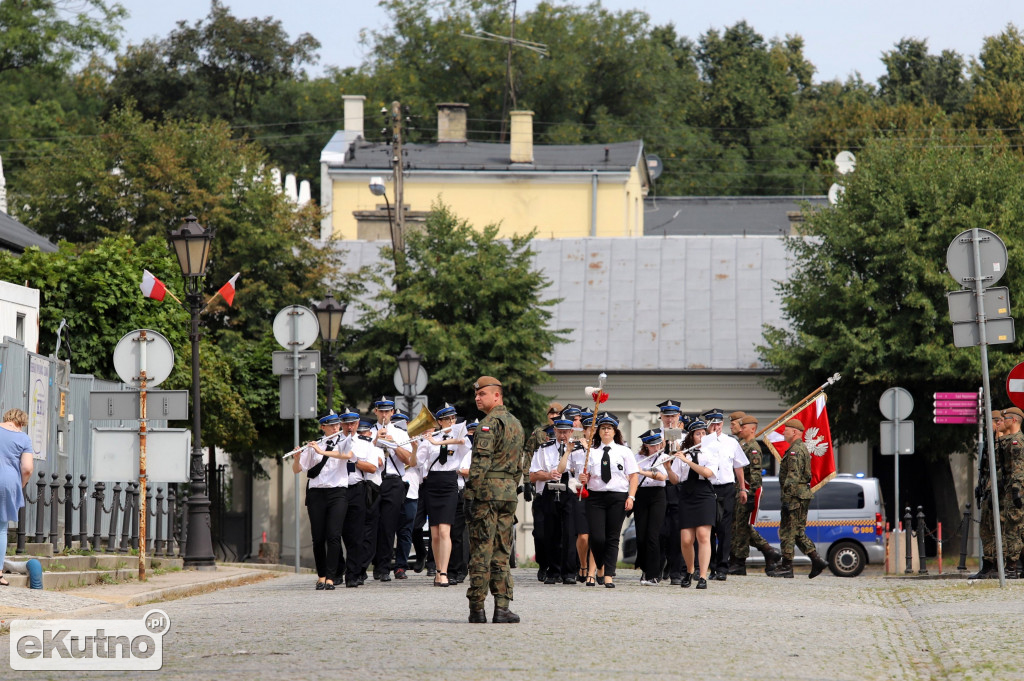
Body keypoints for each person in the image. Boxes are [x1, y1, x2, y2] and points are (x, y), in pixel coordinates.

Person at [465, 376, 524, 624]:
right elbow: (519, 465)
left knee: (481, 550)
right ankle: (502, 608)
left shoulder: (487, 425)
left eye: (483, 394)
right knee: (502, 550)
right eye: (477, 395)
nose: (477, 398)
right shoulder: (517, 424)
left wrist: (469, 494)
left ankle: (477, 609)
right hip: (508, 493)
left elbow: (480, 463)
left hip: (487, 494)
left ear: (497, 396)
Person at [291, 411, 354, 590]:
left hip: (337, 492)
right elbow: (298, 470)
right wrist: (297, 458)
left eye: (337, 425)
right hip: (316, 493)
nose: (336, 428)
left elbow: (347, 455)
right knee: (318, 537)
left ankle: (332, 577)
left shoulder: (344, 441)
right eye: (331, 425)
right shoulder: (314, 445)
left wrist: (322, 451)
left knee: (333, 535)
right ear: (323, 427)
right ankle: (321, 575)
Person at [578, 413, 639, 588]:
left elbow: (633, 476)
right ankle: (600, 566)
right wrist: (583, 477)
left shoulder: (624, 451)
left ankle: (608, 575)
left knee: (612, 538)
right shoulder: (591, 452)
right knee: (597, 538)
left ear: (614, 431)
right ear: (598, 431)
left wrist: (631, 497)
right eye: (603, 428)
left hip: (617, 496)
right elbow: (584, 477)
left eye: (609, 428)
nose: (606, 431)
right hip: (596, 497)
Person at [770, 419, 828, 578]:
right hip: (799, 494)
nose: (783, 432)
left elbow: (792, 477)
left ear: (794, 432)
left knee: (789, 531)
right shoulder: (798, 448)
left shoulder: (795, 450)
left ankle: (787, 567)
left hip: (795, 495)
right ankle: (816, 560)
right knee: (795, 532)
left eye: (786, 430)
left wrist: (787, 499)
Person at [665, 417, 718, 589]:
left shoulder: (711, 453)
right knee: (686, 539)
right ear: (691, 437)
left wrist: (687, 461)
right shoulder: (684, 454)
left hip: (704, 494)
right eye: (698, 434)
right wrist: (668, 468)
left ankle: (702, 575)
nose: (701, 436)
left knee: (703, 535)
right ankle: (689, 570)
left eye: (704, 433)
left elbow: (708, 473)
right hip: (686, 495)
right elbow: (675, 480)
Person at [419, 403, 467, 587]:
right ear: (439, 421)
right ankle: (438, 571)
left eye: (453, 418)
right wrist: (418, 444)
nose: (451, 421)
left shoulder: (458, 436)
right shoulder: (431, 438)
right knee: (435, 533)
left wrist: (438, 442)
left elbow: (463, 444)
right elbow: (417, 462)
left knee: (446, 530)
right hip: (432, 483)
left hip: (449, 482)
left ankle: (445, 572)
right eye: (447, 419)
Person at [729, 415, 783, 575]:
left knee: (742, 527)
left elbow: (755, 474)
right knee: (739, 526)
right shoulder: (743, 445)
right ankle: (769, 552)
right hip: (740, 490)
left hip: (746, 490)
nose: (740, 428)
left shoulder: (753, 448)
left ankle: (739, 562)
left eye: (743, 426)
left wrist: (751, 494)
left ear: (752, 429)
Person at [701, 408, 748, 581]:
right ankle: (710, 566)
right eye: (713, 424)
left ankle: (722, 567)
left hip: (727, 487)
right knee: (708, 529)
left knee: (725, 529)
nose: (716, 427)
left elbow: (738, 466)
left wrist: (742, 488)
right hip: (708, 488)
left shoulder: (731, 442)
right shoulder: (702, 442)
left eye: (719, 423)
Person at [371, 397, 414, 582]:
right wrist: (375, 441)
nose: (384, 414)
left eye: (387, 411)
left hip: (393, 480)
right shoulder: (367, 431)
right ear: (375, 412)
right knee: (370, 525)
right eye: (381, 411)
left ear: (392, 413)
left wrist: (393, 444)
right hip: (372, 481)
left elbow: (408, 460)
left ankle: (383, 568)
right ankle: (367, 565)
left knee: (388, 526)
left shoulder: (401, 433)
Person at [530, 417, 577, 584]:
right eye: (560, 431)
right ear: (555, 431)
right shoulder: (544, 449)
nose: (562, 435)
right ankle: (553, 570)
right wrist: (547, 475)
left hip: (570, 490)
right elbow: (533, 475)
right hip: (549, 490)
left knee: (570, 532)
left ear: (572, 432)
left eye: (566, 431)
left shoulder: (578, 449)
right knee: (550, 532)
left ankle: (569, 572)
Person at [525, 402, 561, 582]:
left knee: (558, 531)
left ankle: (557, 566)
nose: (554, 418)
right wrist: (525, 482)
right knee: (539, 532)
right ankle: (543, 564)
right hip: (541, 487)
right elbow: (528, 456)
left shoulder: (569, 433)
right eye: (551, 415)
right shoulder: (539, 433)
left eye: (557, 415)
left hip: (562, 489)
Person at [0, 408, 33, 585]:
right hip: (7, 482)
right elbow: (27, 468)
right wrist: (19, 485)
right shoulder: (23, 438)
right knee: (1, 528)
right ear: (20, 423)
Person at [634, 429, 668, 585]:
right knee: (641, 536)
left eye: (658, 444)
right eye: (653, 445)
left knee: (653, 535)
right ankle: (645, 570)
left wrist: (641, 471)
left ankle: (654, 574)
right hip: (641, 495)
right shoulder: (637, 458)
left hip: (657, 496)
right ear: (646, 445)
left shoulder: (664, 457)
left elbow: (662, 476)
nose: (656, 448)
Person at [656, 400, 685, 584]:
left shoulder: (686, 437)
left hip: (678, 486)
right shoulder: (654, 436)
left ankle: (675, 571)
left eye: (673, 416)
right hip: (658, 486)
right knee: (659, 531)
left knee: (676, 531)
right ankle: (656, 569)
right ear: (661, 417)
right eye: (666, 416)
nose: (669, 420)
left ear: (678, 417)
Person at [972, 410, 1004, 578]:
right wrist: (981, 487)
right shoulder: (990, 442)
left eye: (989, 422)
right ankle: (988, 564)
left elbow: (1001, 470)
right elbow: (985, 469)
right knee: (986, 528)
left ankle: (997, 565)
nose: (986, 426)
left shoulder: (1000, 443)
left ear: (998, 422)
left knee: (996, 529)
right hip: (987, 490)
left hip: (997, 492)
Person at [998, 407, 1024, 579]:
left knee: (1014, 529)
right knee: (1013, 527)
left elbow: (1018, 468)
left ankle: (1012, 567)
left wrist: (1016, 489)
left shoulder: (1017, 442)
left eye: (1006, 418)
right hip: (1009, 488)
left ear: (1014, 420)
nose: (1003, 421)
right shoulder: (1010, 440)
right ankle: (1013, 567)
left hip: (1016, 490)